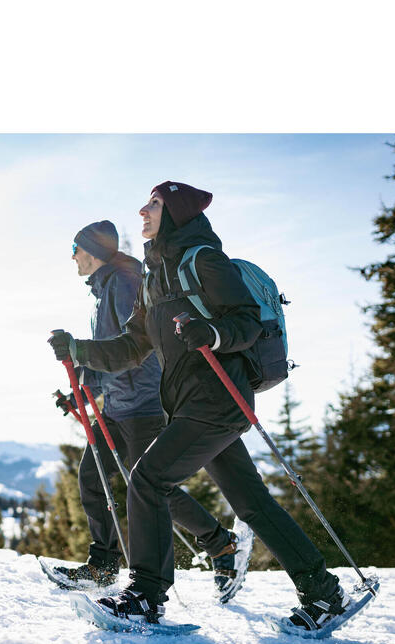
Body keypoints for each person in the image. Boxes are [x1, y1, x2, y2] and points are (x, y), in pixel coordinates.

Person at [48, 183, 350, 635]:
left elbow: (245, 320)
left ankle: (146, 597)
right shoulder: (154, 277)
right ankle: (324, 592)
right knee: (252, 504)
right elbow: (133, 347)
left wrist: (212, 333)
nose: (142, 211)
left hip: (218, 398)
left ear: (175, 212)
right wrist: (78, 350)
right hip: (187, 404)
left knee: (148, 478)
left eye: (153, 204)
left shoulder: (205, 259)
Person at [46, 219, 251, 601]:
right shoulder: (105, 287)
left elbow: (134, 346)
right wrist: (84, 392)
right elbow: (109, 347)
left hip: (143, 403)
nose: (72, 258)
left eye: (75, 250)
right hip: (120, 403)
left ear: (91, 251)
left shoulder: (124, 283)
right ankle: (103, 565)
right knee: (94, 478)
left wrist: (92, 369)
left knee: (153, 488)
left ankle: (220, 543)